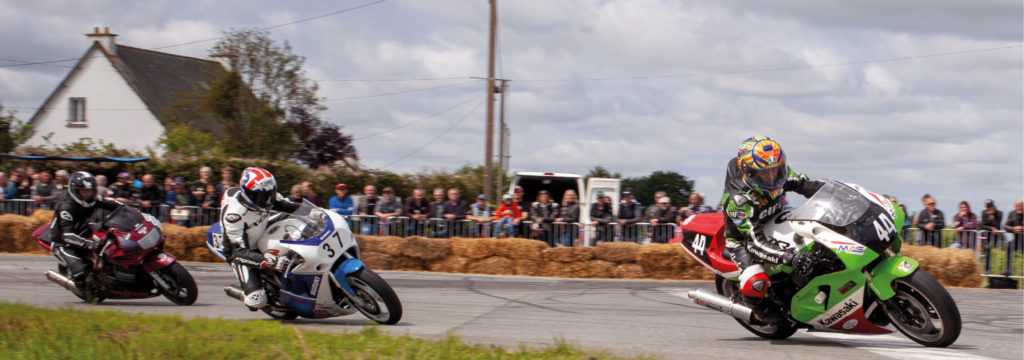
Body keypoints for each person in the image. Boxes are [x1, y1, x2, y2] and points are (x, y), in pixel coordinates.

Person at [721, 136, 823, 301]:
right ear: (749, 172)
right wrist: (790, 258)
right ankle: (760, 313)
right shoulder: (739, 201)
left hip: (777, 219)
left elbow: (810, 186)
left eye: (774, 170)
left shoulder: (781, 174)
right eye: (763, 172)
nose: (771, 177)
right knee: (756, 282)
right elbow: (755, 242)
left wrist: (844, 195)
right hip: (745, 240)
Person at [221, 167, 302, 309]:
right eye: (263, 196)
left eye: (270, 193)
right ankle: (242, 293)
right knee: (256, 301)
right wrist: (267, 260)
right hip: (241, 251)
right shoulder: (234, 215)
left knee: (298, 224)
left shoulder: (266, 197)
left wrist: (316, 211)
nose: (268, 199)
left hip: (261, 230)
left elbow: (286, 205)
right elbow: (238, 251)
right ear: (249, 194)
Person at [48, 172, 122, 294]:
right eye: (84, 191)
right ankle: (83, 289)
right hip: (62, 242)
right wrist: (91, 245)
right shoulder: (67, 207)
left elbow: (113, 204)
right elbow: (67, 236)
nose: (88, 194)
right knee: (80, 269)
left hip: (83, 232)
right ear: (75, 191)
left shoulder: (92, 199)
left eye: (90, 190)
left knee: (111, 248)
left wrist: (132, 210)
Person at [978, 199, 1003, 272]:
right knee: (986, 248)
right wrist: (991, 228)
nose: (988, 207)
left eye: (989, 205)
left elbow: (997, 226)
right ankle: (986, 268)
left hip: (994, 237)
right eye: (987, 206)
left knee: (988, 248)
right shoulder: (983, 213)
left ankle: (987, 269)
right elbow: (982, 226)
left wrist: (993, 215)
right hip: (985, 236)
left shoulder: (999, 213)